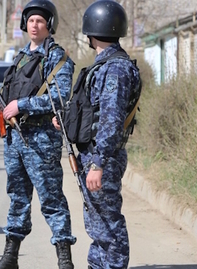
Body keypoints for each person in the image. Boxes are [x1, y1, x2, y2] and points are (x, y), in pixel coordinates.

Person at [0, 1, 76, 268]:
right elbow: (8, 94)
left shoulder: (56, 58)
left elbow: (59, 99)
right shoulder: (20, 57)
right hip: (14, 140)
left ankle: (64, 259)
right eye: (31, 21)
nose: (34, 26)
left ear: (49, 25)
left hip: (41, 141)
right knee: (17, 198)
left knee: (52, 199)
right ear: (25, 24)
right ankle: (11, 256)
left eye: (40, 21)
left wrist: (22, 105)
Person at [53, 1, 141, 268]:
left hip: (103, 158)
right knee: (97, 225)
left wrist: (98, 164)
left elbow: (112, 121)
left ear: (91, 31)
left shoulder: (114, 68)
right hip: (95, 156)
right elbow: (94, 113)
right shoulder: (105, 65)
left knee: (109, 226)